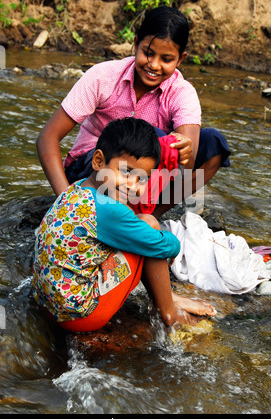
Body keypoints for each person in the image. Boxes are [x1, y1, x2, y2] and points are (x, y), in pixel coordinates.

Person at [36, 6, 230, 216]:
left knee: (213, 143)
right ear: (136, 44)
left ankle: (147, 218)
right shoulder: (104, 77)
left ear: (180, 59)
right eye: (148, 53)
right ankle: (114, 216)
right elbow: (48, 137)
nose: (154, 65)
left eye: (166, 59)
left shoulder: (183, 93)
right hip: (91, 169)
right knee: (151, 136)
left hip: (143, 182)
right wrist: (66, 201)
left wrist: (184, 152)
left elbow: (186, 168)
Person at [33, 118, 217, 333]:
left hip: (49, 304)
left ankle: (167, 298)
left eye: (143, 179)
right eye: (127, 172)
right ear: (98, 161)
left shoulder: (78, 188)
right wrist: (173, 244)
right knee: (149, 226)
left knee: (141, 226)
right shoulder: (108, 208)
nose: (133, 186)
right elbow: (164, 247)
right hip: (80, 316)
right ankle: (168, 311)